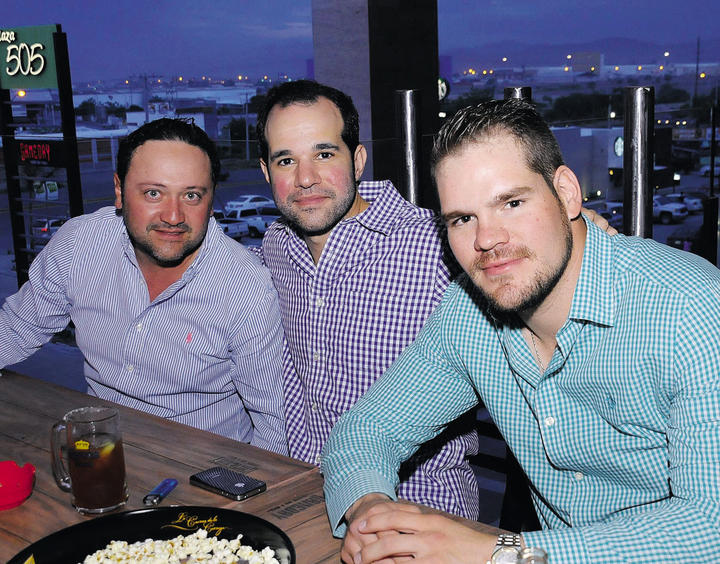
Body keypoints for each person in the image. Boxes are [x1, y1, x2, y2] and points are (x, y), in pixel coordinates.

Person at [321, 99, 720, 563]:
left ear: (568, 193)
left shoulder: (691, 308)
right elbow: (368, 427)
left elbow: (710, 527)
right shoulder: (468, 314)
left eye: (511, 203)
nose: (486, 239)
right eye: (463, 219)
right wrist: (371, 514)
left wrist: (504, 552)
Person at [254, 79, 480, 520]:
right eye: (286, 160)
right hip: (305, 498)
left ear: (358, 159)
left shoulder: (436, 246)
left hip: (417, 509)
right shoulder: (276, 247)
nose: (305, 179)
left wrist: (583, 230)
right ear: (267, 173)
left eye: (324, 153)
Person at [0, 118, 287, 454]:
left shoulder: (246, 288)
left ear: (210, 203)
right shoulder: (79, 244)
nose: (173, 216)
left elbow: (273, 423)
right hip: (99, 448)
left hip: (199, 469)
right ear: (120, 191)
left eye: (191, 195)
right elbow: (17, 329)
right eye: (153, 193)